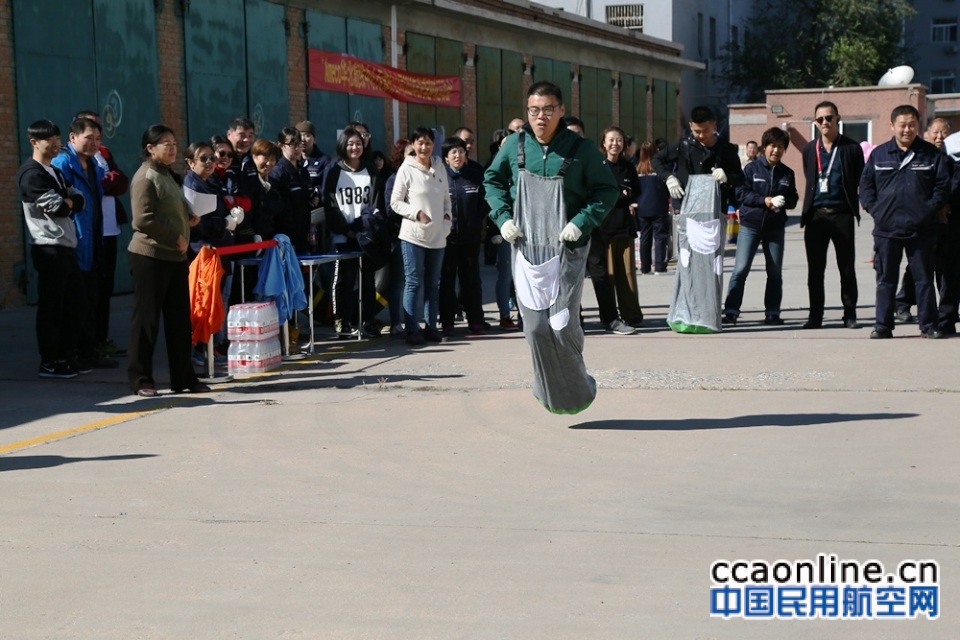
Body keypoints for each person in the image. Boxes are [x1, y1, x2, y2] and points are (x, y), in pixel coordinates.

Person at [484, 80, 618, 414]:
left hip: (568, 248)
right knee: (535, 327)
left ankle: (579, 388)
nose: (540, 117)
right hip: (525, 245)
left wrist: (581, 222)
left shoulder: (581, 148)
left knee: (559, 323)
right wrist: (502, 218)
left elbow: (607, 192)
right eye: (533, 110)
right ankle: (548, 390)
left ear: (560, 110)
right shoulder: (514, 145)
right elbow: (492, 181)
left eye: (547, 109)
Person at [127, 124, 209, 396]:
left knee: (179, 321)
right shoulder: (146, 176)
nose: (172, 148)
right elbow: (143, 219)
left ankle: (184, 377)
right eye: (165, 143)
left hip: (174, 257)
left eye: (174, 143)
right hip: (150, 256)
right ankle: (141, 379)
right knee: (147, 321)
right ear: (150, 148)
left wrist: (188, 219)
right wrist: (175, 236)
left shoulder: (168, 175)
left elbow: (170, 209)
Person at [859, 105, 951, 339]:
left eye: (912, 124)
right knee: (885, 280)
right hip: (886, 229)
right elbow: (866, 186)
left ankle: (929, 325)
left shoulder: (930, 154)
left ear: (918, 127)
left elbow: (942, 186)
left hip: (922, 229)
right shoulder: (879, 154)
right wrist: (875, 209)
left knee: (923, 280)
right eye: (902, 124)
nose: (907, 129)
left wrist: (927, 211)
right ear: (892, 126)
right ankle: (883, 325)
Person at [17, 120, 87, 378]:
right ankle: (49, 361)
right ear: (34, 142)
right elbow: (59, 208)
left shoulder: (54, 172)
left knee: (75, 305)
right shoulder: (30, 174)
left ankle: (65, 356)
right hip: (48, 248)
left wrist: (69, 201)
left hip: (66, 247)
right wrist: (69, 202)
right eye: (51, 139)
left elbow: (78, 197)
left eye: (58, 139)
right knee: (52, 307)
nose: (56, 144)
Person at [52, 117, 117, 371]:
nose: (94, 143)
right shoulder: (63, 163)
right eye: (89, 137)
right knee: (74, 302)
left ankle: (88, 350)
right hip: (73, 242)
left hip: (93, 240)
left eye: (98, 139)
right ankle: (69, 353)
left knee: (91, 299)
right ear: (73, 138)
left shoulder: (94, 166)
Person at [798, 101, 865, 330]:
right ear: (816, 123)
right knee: (815, 270)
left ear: (838, 118)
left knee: (846, 267)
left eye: (829, 118)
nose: (825, 122)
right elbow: (810, 179)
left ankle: (850, 314)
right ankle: (815, 316)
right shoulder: (809, 149)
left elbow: (859, 179)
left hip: (842, 214)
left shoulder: (851, 148)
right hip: (816, 216)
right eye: (820, 119)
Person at [722, 127, 799, 325]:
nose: (776, 151)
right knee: (740, 269)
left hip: (775, 228)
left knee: (774, 272)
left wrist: (785, 201)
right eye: (773, 146)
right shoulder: (751, 169)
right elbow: (741, 194)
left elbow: (793, 198)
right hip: (750, 225)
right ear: (764, 147)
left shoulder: (787, 173)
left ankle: (772, 312)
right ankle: (731, 311)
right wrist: (764, 201)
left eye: (781, 147)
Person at [390, 127, 452, 346]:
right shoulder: (406, 169)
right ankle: (412, 329)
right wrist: (416, 213)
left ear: (433, 145)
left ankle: (431, 327)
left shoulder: (439, 166)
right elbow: (395, 202)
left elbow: (446, 197)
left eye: (428, 143)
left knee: (433, 284)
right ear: (413, 145)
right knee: (413, 282)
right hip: (413, 235)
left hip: (438, 235)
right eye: (420, 143)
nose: (424, 147)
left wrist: (447, 218)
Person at [75, 109, 129, 359]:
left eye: (99, 131)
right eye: (90, 130)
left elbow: (119, 182)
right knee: (89, 290)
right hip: (88, 232)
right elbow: (97, 185)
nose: (96, 137)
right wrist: (106, 182)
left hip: (109, 229)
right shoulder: (73, 159)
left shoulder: (104, 153)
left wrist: (110, 181)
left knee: (105, 289)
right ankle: (87, 343)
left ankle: (102, 337)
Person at [323, 126, 382, 339]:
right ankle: (342, 322)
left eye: (358, 143)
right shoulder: (334, 172)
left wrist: (360, 227)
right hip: (343, 236)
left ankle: (368, 321)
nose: (354, 147)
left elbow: (374, 203)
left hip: (365, 235)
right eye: (350, 143)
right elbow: (330, 205)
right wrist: (345, 229)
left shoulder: (371, 170)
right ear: (343, 145)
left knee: (367, 280)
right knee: (343, 280)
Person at [894, 118, 952, 324]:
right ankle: (902, 303)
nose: (939, 137)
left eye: (944, 132)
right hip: (923, 219)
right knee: (918, 265)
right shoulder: (922, 154)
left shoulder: (952, 156)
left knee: (945, 266)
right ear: (926, 133)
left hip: (947, 221)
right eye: (935, 132)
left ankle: (945, 311)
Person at [592, 125, 642, 333]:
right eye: (611, 140)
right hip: (602, 228)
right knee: (607, 275)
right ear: (603, 143)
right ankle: (610, 317)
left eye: (619, 140)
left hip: (624, 226)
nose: (615, 144)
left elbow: (634, 193)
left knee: (627, 274)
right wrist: (620, 196)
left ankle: (632, 316)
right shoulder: (597, 166)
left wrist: (623, 197)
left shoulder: (628, 166)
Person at [652, 105, 745, 216]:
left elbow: (740, 178)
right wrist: (668, 177)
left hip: (715, 209)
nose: (701, 135)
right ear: (690, 126)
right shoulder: (683, 145)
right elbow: (656, 159)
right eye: (697, 131)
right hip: (685, 206)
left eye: (705, 130)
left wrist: (727, 177)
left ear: (714, 125)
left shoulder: (726, 149)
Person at [439, 136, 488, 334]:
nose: (458, 155)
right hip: (447, 239)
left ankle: (476, 320)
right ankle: (448, 322)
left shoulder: (475, 175)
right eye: (453, 153)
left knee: (471, 280)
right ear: (446, 158)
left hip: (471, 238)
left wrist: (475, 220)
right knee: (447, 280)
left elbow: (484, 203)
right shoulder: (441, 178)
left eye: (461, 151)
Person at [382, 139, 412, 337]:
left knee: (417, 281)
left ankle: (417, 321)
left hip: (421, 236)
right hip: (400, 236)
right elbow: (389, 209)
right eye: (410, 154)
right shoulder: (394, 180)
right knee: (399, 282)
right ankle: (396, 322)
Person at [269, 127, 314, 253]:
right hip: (286, 236)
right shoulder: (278, 172)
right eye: (293, 145)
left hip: (304, 232)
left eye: (299, 144)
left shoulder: (303, 170)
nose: (297, 148)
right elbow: (281, 209)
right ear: (281, 145)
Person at [634, 140, 672, 275]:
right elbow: (666, 188)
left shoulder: (637, 169)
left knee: (645, 237)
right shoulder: (659, 169)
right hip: (659, 206)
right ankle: (660, 266)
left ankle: (645, 267)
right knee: (660, 236)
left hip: (643, 207)